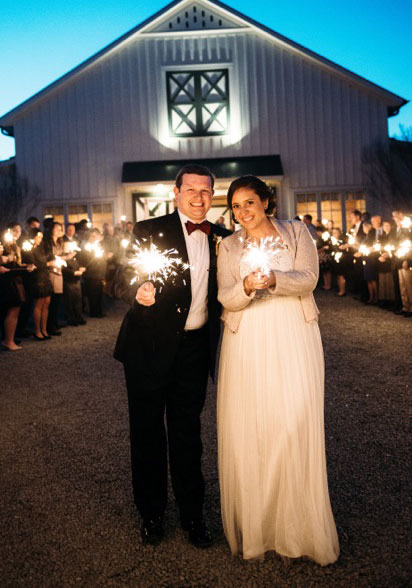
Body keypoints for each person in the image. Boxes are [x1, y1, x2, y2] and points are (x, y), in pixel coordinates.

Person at [216, 175, 339, 564]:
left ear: (267, 202)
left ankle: (298, 528)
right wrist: (248, 288)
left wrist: (275, 280)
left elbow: (309, 279)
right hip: (248, 339)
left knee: (292, 423)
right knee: (254, 428)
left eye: (249, 203)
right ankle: (260, 529)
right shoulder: (229, 245)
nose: (242, 213)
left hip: (293, 334)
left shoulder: (297, 232)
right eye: (235, 207)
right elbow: (225, 296)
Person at [114, 164, 230, 548]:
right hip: (146, 348)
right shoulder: (149, 230)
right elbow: (120, 278)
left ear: (212, 195)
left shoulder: (225, 239)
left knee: (188, 435)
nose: (199, 198)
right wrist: (138, 290)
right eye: (191, 190)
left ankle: (192, 515)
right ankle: (151, 515)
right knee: (147, 435)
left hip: (194, 351)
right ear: (176, 192)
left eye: (206, 191)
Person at [26, 229, 53, 340]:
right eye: (38, 237)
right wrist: (48, 263)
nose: (40, 239)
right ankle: (37, 331)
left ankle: (44, 329)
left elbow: (46, 258)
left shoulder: (41, 248)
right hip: (38, 278)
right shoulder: (29, 248)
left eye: (41, 237)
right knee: (39, 305)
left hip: (45, 276)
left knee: (46, 304)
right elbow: (33, 263)